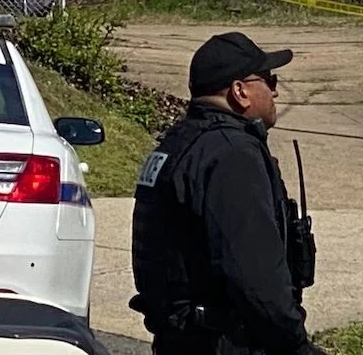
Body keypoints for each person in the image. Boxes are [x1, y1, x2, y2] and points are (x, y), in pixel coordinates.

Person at [130, 32, 320, 355]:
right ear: (239, 91)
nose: (275, 90)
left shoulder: (180, 143)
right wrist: (296, 346)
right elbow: (256, 277)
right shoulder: (232, 156)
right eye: (268, 80)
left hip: (180, 341)